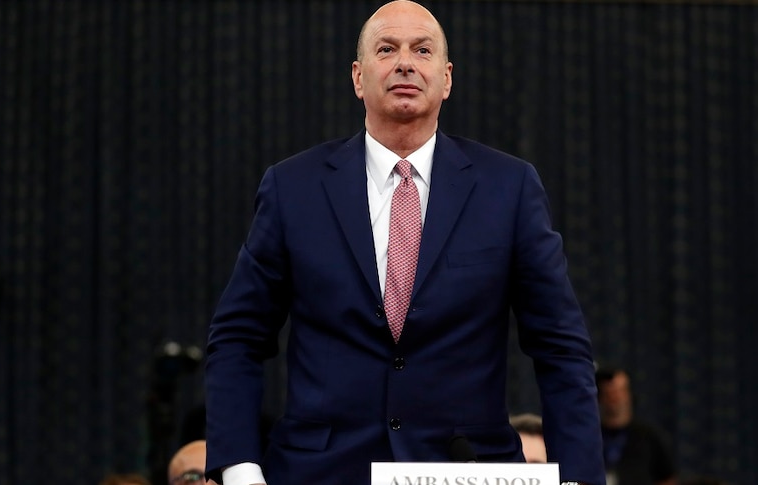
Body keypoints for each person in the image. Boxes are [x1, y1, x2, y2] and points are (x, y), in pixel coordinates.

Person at [204, 1, 604, 484]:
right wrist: (239, 468)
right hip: (319, 470)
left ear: (447, 77)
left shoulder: (509, 187)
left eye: (422, 50)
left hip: (466, 467)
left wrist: (578, 477)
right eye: (387, 49)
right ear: (358, 77)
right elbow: (238, 336)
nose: (405, 63)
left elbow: (560, 347)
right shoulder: (293, 188)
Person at [596, 366, 677, 485]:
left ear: (629, 394)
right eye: (609, 393)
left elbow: (667, 478)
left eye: (619, 391)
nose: (615, 398)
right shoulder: (590, 437)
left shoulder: (650, 437)